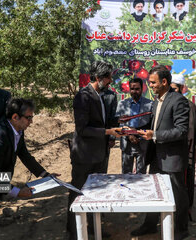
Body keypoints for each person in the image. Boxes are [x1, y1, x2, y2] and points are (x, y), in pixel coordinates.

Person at [0, 98, 58, 240]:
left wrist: (45, 175)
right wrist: (17, 192)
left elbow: (25, 155)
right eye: (29, 118)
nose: (31, 122)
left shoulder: (17, 130)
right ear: (15, 117)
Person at [132, 65, 190, 240]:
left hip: (172, 157)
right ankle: (150, 225)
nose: (150, 85)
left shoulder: (178, 100)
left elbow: (181, 131)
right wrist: (135, 131)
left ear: (164, 82)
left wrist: (155, 135)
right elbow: (155, 125)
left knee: (177, 194)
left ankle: (181, 229)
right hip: (157, 156)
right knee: (155, 193)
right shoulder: (157, 100)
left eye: (153, 82)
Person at [67, 61, 122, 240]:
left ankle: (93, 228)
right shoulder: (83, 96)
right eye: (108, 78)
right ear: (98, 78)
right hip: (84, 155)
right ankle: (74, 232)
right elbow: (82, 129)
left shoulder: (100, 95)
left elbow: (102, 122)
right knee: (77, 192)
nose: (110, 82)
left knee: (96, 193)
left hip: (99, 154)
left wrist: (118, 127)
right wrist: (107, 131)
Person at [171, 74, 196, 220]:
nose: (172, 92)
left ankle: (186, 208)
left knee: (186, 178)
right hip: (170, 152)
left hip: (184, 151)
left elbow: (191, 131)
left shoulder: (188, 105)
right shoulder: (166, 103)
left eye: (175, 89)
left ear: (182, 88)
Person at [115, 78, 153, 174]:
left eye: (137, 89)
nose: (134, 91)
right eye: (132, 89)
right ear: (129, 89)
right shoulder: (122, 104)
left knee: (141, 175)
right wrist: (129, 134)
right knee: (126, 174)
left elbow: (151, 124)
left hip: (142, 143)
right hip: (127, 144)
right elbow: (118, 123)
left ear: (142, 89)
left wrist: (139, 135)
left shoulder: (150, 105)